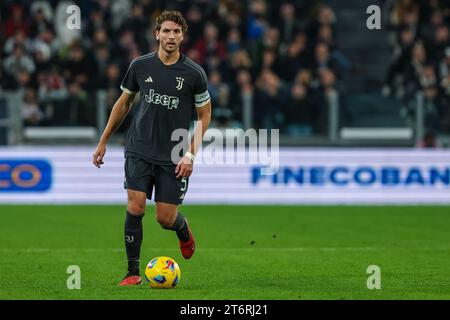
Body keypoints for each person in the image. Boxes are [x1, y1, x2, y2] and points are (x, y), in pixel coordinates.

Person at [92, 10, 212, 286]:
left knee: (164, 218)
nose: (171, 36)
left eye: (177, 32)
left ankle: (182, 229)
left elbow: (205, 116)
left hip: (173, 155)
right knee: (135, 208)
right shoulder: (140, 66)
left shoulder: (195, 74)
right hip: (139, 147)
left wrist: (191, 153)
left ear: (183, 36)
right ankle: (132, 272)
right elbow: (124, 103)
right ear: (157, 34)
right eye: (166, 31)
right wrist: (103, 140)